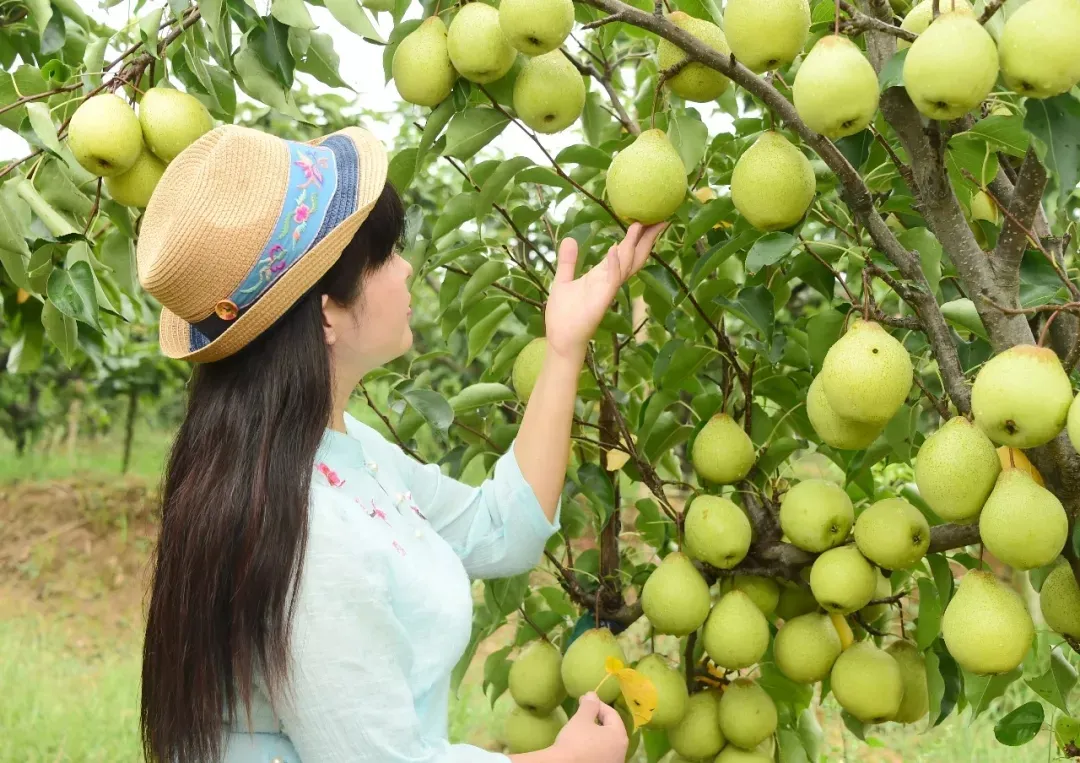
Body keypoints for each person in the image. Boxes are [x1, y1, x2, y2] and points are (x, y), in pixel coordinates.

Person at [135, 124, 666, 763]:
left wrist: (563, 345)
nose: (408, 267)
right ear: (327, 311)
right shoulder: (309, 532)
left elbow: (502, 528)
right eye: (384, 257)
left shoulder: (327, 456)